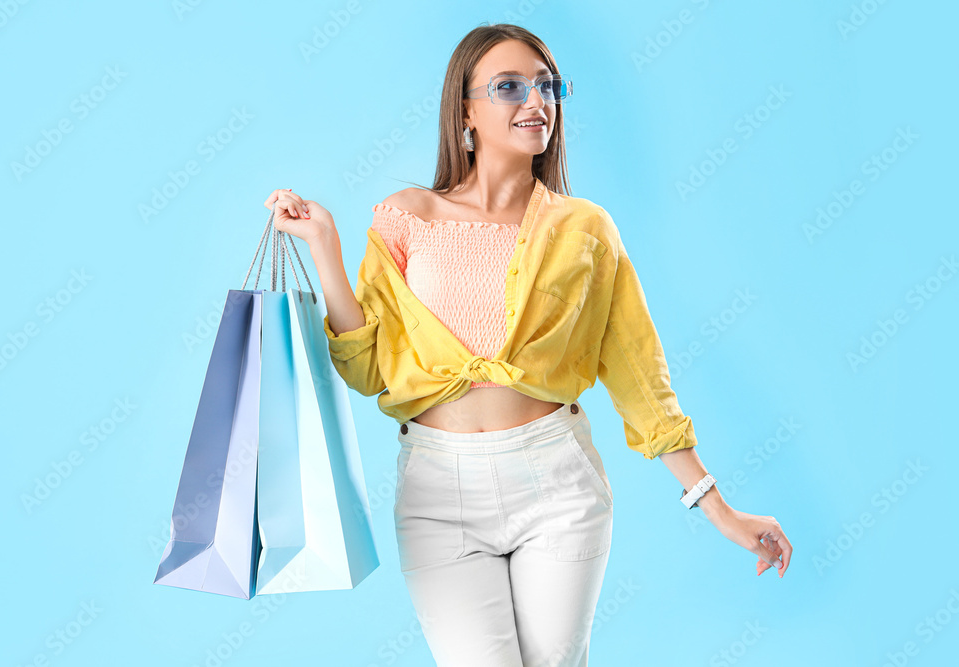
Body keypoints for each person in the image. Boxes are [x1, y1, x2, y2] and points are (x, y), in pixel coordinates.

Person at [264, 22, 792, 667]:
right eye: (509, 86)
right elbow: (369, 369)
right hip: (437, 491)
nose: (535, 101)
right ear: (465, 110)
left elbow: (638, 376)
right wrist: (324, 247)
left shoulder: (585, 229)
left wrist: (719, 509)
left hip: (557, 483)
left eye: (547, 86)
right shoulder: (406, 217)